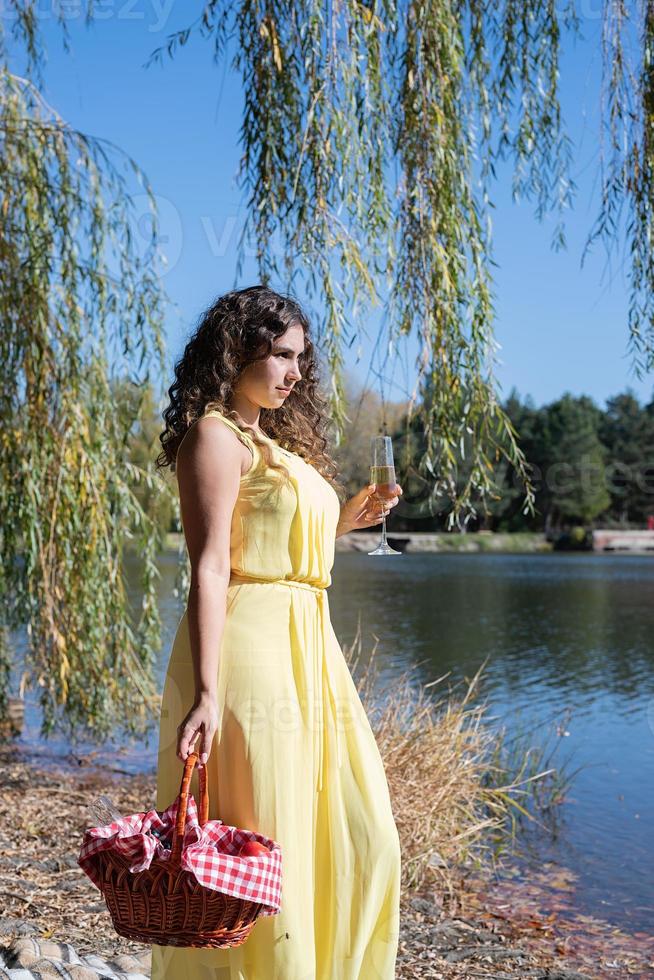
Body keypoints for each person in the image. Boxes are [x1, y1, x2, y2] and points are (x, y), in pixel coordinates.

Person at [151, 284, 403, 979]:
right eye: (281, 354)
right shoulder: (214, 435)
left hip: (311, 648)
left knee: (366, 830)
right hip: (250, 651)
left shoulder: (271, 440)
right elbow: (209, 568)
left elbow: (292, 544)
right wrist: (205, 693)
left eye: (301, 357)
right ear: (239, 350)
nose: (295, 372)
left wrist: (353, 514)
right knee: (268, 833)